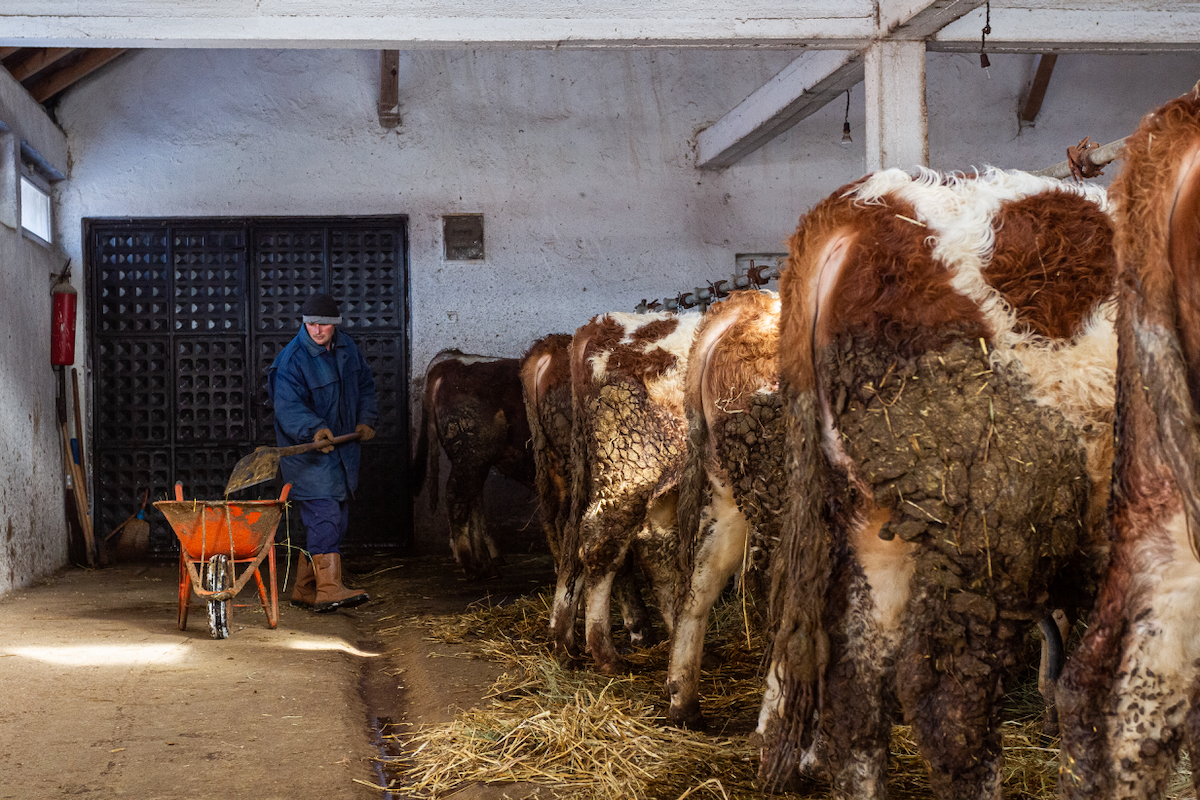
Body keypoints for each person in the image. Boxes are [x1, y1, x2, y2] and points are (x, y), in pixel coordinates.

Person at [268, 292, 378, 612]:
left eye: (324, 325)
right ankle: (329, 588)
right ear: (304, 324)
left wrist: (366, 419)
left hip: (342, 454)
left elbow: (367, 385)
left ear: (336, 325)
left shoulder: (347, 349)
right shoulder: (291, 361)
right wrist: (314, 429)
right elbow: (287, 408)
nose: (317, 331)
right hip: (310, 458)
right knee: (326, 517)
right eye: (312, 324)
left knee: (335, 520)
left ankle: (306, 587)